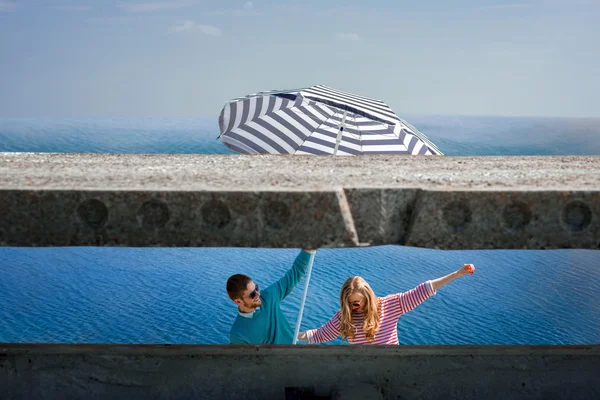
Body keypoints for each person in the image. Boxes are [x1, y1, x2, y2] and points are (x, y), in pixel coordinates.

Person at [297, 264, 475, 345]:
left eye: (356, 303)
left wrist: (456, 274)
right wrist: (292, 335)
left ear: (367, 297)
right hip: (363, 373)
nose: (353, 308)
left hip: (394, 369)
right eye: (349, 304)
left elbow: (423, 290)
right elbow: (319, 335)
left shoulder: (389, 305)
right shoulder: (344, 318)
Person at [226, 249, 315, 344]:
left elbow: (295, 273)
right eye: (252, 294)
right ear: (238, 301)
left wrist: (307, 250)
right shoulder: (238, 335)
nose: (258, 294)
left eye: (256, 288)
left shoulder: (268, 297)